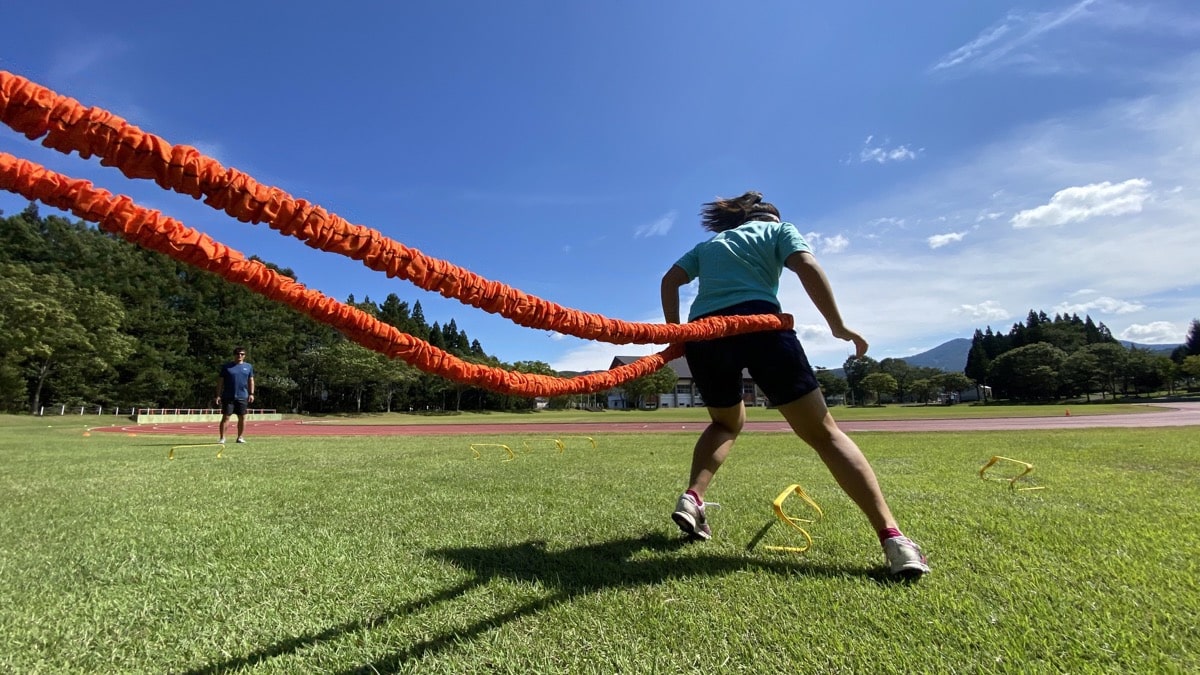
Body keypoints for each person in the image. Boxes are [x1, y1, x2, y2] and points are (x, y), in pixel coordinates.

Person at [660, 191, 930, 578]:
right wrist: (837, 325)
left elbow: (670, 280)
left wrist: (676, 334)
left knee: (725, 423)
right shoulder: (780, 230)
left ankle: (693, 497)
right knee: (824, 433)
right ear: (772, 218)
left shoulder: (711, 243)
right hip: (761, 326)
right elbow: (805, 264)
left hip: (706, 336)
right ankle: (894, 540)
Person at [215, 346, 255, 444]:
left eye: (242, 354)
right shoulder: (226, 367)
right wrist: (218, 395)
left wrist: (251, 393)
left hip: (243, 396)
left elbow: (251, 380)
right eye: (238, 354)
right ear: (234, 355)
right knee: (226, 417)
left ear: (244, 356)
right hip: (228, 396)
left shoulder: (248, 366)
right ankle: (222, 438)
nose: (239, 356)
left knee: (242, 417)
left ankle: (240, 437)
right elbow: (220, 382)